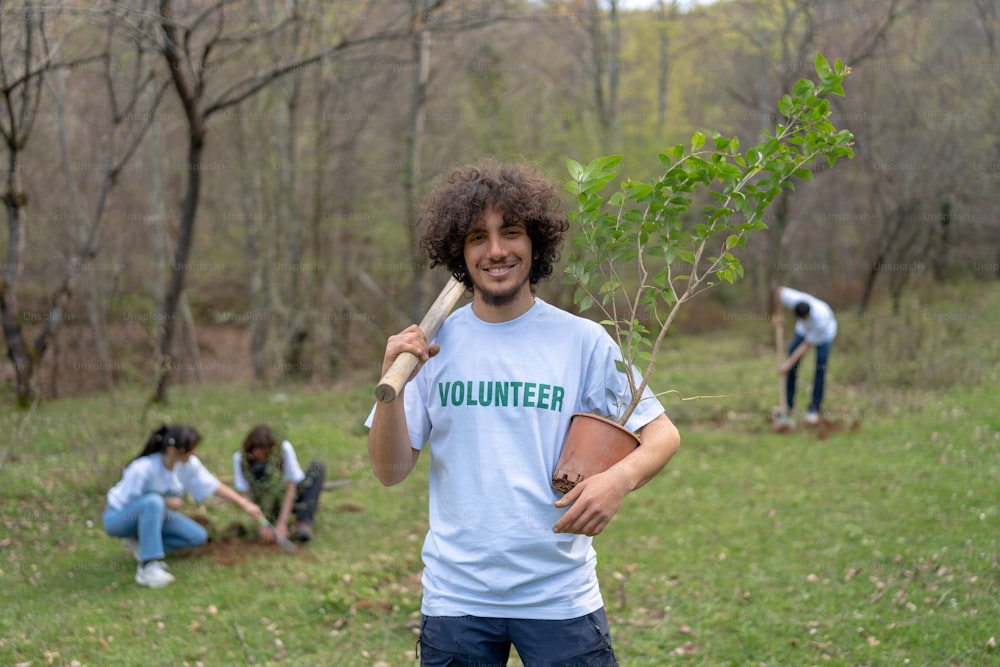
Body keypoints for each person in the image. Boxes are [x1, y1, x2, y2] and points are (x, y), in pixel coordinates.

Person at [365, 158, 681, 666]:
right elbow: (389, 471)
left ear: (535, 242)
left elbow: (662, 435)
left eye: (510, 232)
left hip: (559, 597)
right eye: (476, 237)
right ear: (458, 252)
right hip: (457, 600)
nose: (495, 251)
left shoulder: (582, 341)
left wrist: (616, 482)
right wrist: (394, 390)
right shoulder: (429, 347)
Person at [103, 424, 266, 588]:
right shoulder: (143, 468)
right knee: (153, 501)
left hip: (156, 515)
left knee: (197, 536)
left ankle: (142, 543)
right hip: (119, 518)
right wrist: (164, 501)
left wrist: (244, 503)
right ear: (173, 451)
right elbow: (126, 502)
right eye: (190, 449)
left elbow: (212, 485)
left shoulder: (188, 465)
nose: (194, 452)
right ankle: (148, 568)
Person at [232, 423, 325, 543]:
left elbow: (291, 487)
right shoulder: (241, 459)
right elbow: (246, 497)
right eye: (257, 452)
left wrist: (282, 522)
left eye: (264, 453)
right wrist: (262, 523)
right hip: (265, 506)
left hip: (286, 499)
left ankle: (302, 522)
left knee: (317, 468)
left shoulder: (284, 450)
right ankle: (270, 520)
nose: (260, 456)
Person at [772, 285, 838, 424]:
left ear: (808, 315)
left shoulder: (820, 320)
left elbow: (805, 346)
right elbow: (779, 291)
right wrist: (777, 313)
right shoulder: (794, 299)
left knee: (820, 367)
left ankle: (814, 408)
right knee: (792, 366)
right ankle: (788, 406)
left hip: (824, 336)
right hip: (803, 332)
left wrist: (787, 364)